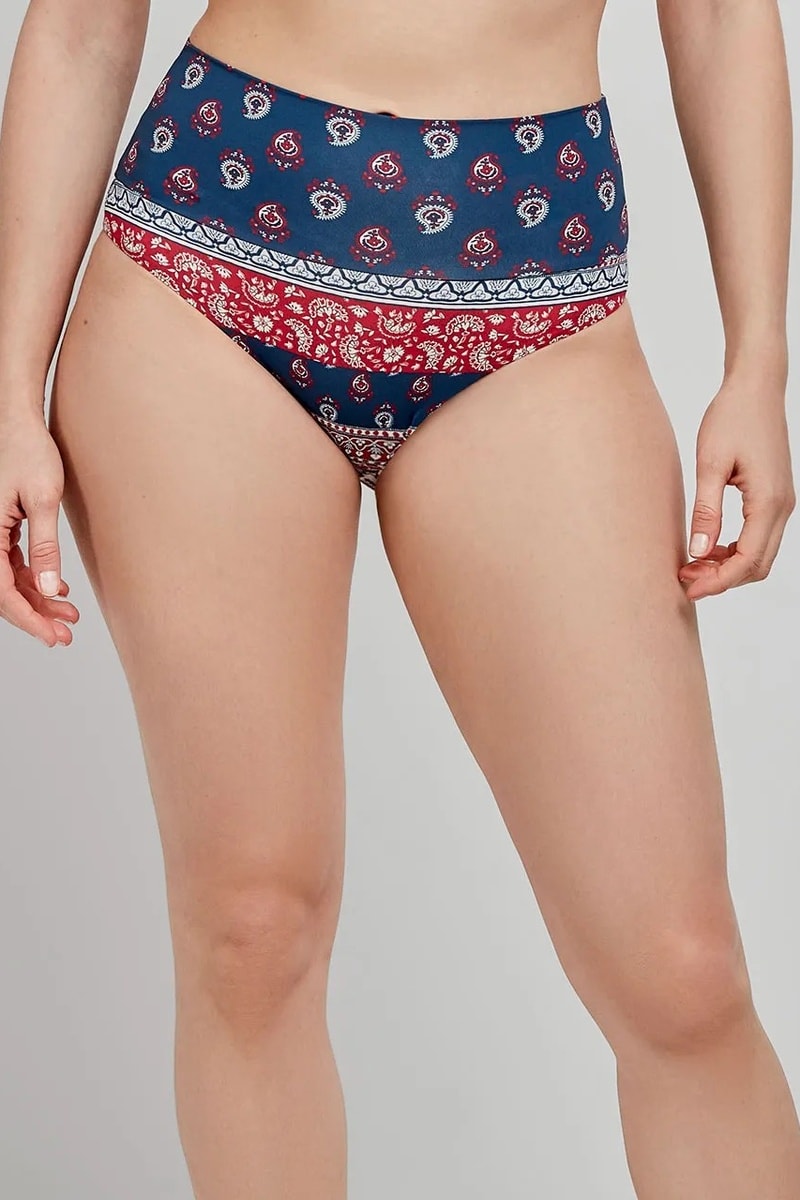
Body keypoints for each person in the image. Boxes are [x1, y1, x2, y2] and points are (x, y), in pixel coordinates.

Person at [0, 0, 797, 1194]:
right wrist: (7, 386)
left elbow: (726, 16)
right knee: (252, 929)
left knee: (678, 976)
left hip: (534, 290)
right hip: (204, 265)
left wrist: (756, 363)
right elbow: (80, 28)